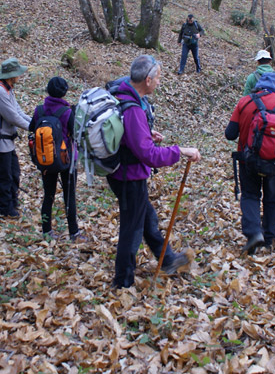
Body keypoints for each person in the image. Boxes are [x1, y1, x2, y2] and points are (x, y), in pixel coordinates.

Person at [108, 55, 201, 288]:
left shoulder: (124, 93)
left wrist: (145, 135)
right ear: (148, 80)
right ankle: (123, 281)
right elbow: (149, 155)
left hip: (124, 173)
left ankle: (168, 259)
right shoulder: (133, 108)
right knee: (132, 229)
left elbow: (129, 136)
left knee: (147, 218)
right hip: (129, 176)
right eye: (158, 77)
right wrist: (180, 150)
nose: (160, 82)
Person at [225, 73, 275, 254]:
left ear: (258, 86)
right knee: (273, 199)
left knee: (250, 195)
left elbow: (230, 134)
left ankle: (253, 233)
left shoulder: (244, 102)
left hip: (247, 159)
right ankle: (270, 238)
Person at [29, 77, 85, 242]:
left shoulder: (39, 110)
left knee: (48, 195)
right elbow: (76, 134)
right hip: (67, 161)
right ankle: (74, 233)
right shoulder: (67, 112)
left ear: (47, 90)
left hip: (46, 159)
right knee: (69, 196)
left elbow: (32, 127)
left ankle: (46, 231)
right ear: (64, 93)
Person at [0, 58, 31, 218]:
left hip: (7, 141)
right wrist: (32, 127)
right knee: (5, 175)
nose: (20, 75)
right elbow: (12, 117)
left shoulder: (7, 89)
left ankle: (13, 203)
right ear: (12, 75)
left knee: (14, 173)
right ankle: (5, 208)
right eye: (18, 73)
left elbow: (18, 111)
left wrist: (36, 122)